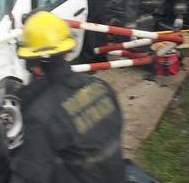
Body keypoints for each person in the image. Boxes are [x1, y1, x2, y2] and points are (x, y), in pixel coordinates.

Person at [10, 11, 125, 183]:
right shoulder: (102, 87)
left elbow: (32, 175)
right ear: (66, 51)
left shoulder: (41, 116)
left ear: (33, 64)